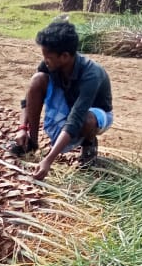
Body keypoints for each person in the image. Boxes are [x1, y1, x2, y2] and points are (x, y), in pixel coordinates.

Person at [9, 20, 113, 181]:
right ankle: (32, 143)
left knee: (87, 121)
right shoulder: (50, 64)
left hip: (96, 113)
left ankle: (89, 144)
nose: (45, 61)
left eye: (48, 57)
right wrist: (23, 128)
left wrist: (48, 161)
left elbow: (76, 118)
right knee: (37, 79)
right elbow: (28, 98)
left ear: (64, 56)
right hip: (68, 102)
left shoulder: (92, 74)